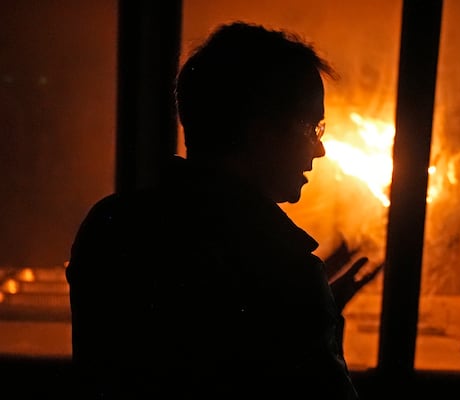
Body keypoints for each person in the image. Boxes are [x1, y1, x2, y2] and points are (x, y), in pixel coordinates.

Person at [66, 21, 374, 399]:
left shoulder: (110, 226)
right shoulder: (284, 270)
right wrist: (317, 315)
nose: (319, 149)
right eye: (313, 128)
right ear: (261, 133)